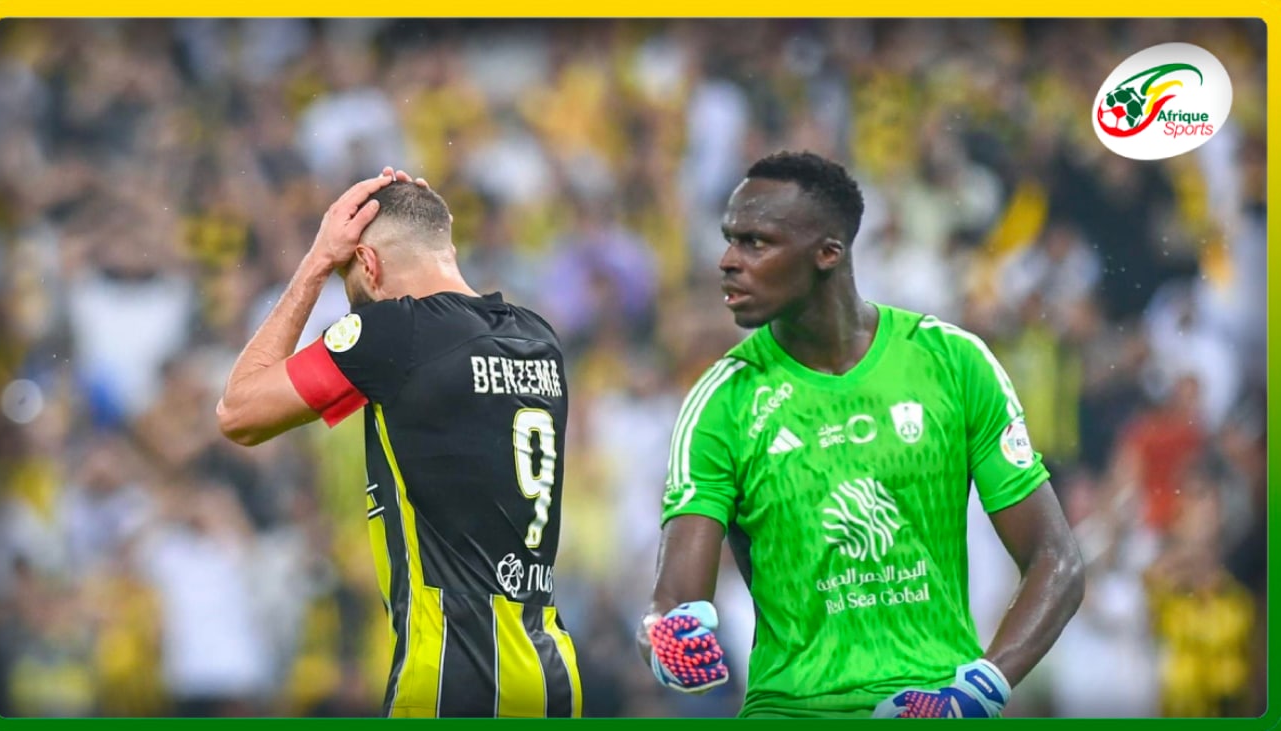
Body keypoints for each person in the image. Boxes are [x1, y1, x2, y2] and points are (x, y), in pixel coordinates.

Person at [636, 151, 1084, 719]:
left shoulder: (952, 362)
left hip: (933, 706)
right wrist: (669, 639)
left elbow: (1057, 559)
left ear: (829, 253)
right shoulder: (721, 402)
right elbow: (675, 598)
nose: (728, 260)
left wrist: (979, 689)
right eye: (730, 239)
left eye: (756, 242)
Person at [216, 168, 582, 718]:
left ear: (368, 263)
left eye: (349, 277)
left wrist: (316, 261)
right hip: (551, 670)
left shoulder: (395, 334)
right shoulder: (537, 337)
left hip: (452, 673)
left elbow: (238, 413)